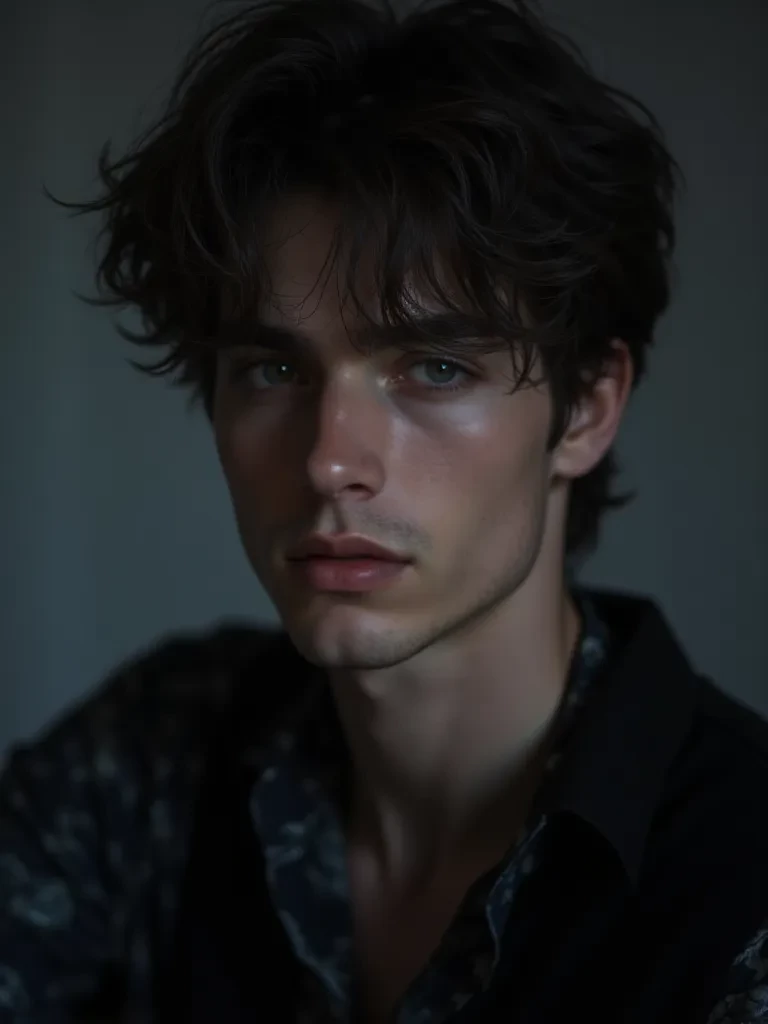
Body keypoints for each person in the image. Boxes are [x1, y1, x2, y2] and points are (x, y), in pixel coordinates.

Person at [1, 0, 766, 1020]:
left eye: (435, 367)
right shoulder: (158, 760)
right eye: (274, 368)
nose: (329, 461)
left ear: (587, 407)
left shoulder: (743, 881)